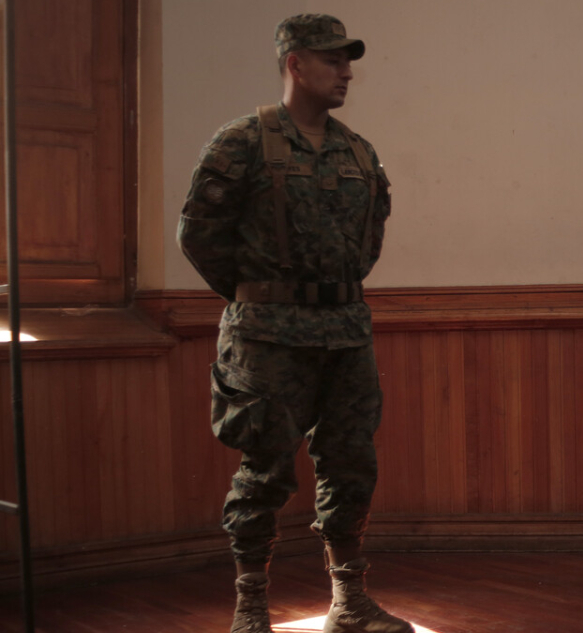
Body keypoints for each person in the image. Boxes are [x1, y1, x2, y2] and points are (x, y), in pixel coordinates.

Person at [177, 14, 410, 633]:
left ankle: (349, 602)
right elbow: (199, 236)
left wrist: (324, 295)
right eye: (333, 59)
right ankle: (251, 606)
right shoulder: (241, 142)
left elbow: (368, 241)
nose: (346, 72)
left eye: (348, 60)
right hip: (267, 338)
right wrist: (259, 297)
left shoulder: (358, 151)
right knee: (265, 471)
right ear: (295, 64)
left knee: (351, 466)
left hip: (345, 333)